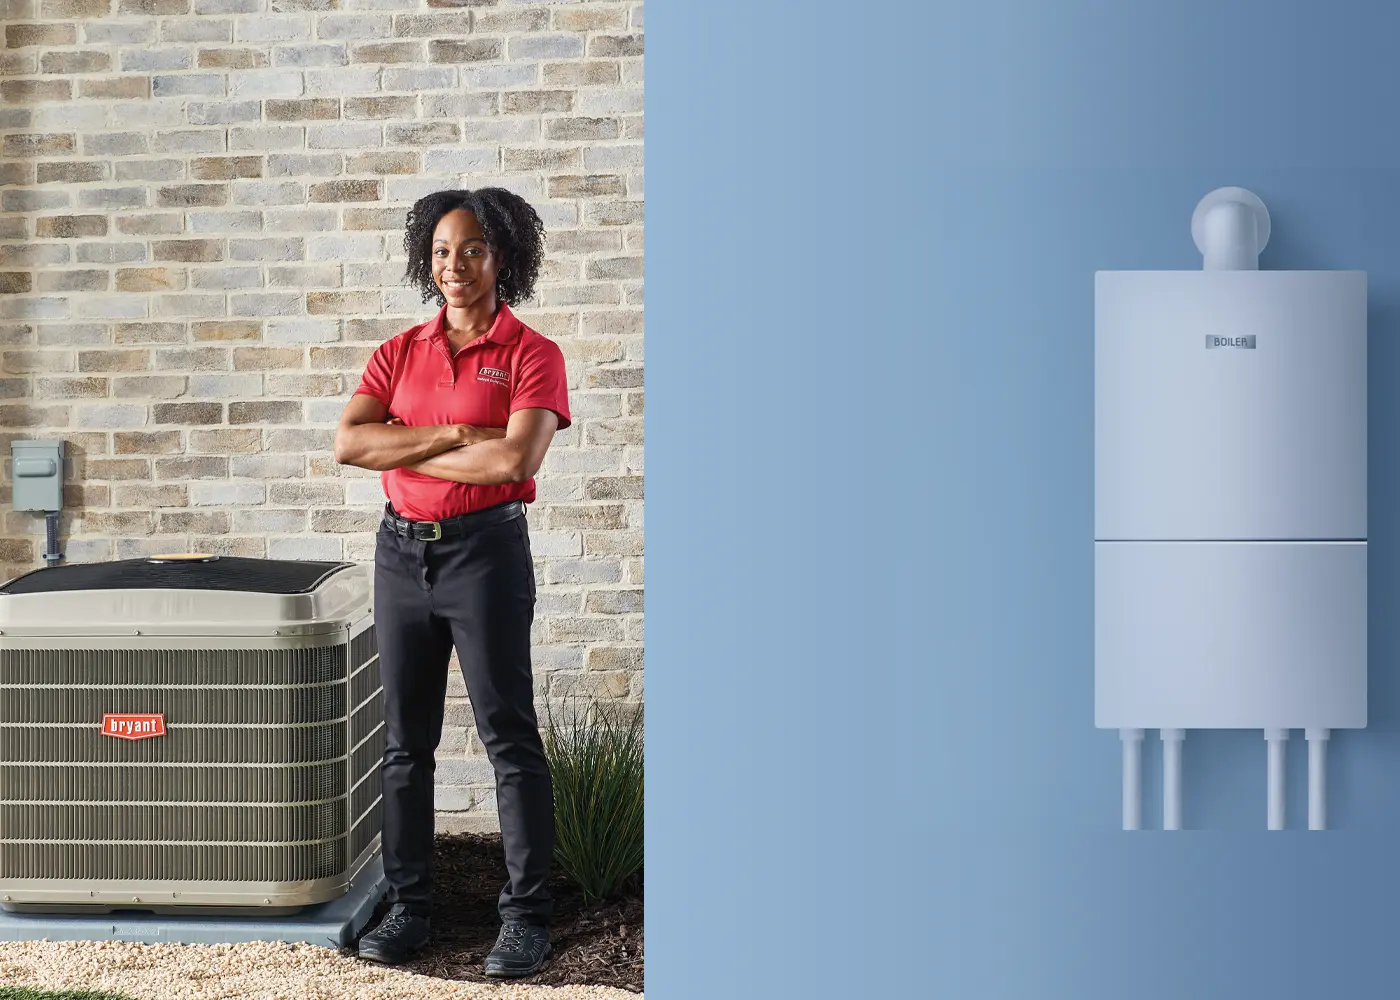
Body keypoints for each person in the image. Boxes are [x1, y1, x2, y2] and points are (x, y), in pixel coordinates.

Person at [333, 188, 569, 978]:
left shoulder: (532, 353)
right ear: (423, 260)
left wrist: (403, 444)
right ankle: (410, 908)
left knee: (508, 736)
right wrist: (455, 432)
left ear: (503, 256)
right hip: (401, 555)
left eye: (472, 249)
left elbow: (512, 463)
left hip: (486, 556)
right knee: (404, 745)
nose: (454, 265)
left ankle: (527, 918)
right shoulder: (400, 351)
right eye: (440, 251)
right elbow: (349, 444)